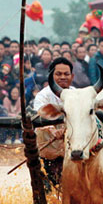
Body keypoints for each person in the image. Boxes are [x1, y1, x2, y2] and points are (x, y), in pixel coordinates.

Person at [33, 57, 74, 191]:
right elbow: (39, 117)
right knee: (48, 189)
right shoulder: (42, 96)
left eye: (66, 74)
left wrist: (67, 129)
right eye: (58, 74)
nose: (63, 77)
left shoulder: (77, 95)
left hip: (73, 151)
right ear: (51, 76)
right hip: (48, 149)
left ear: (72, 76)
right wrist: (52, 130)